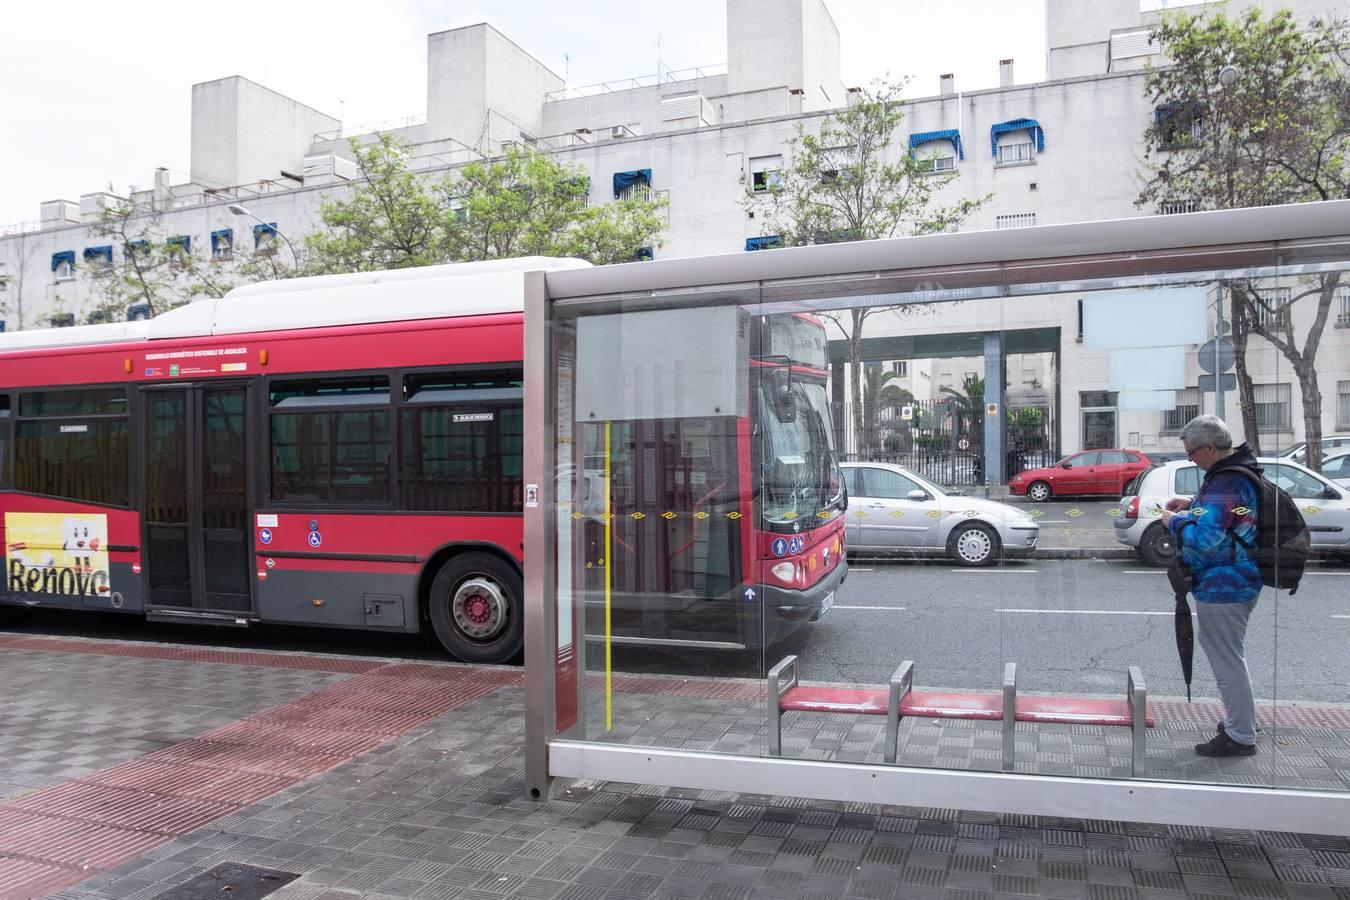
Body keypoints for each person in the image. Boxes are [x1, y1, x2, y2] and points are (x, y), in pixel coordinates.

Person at [1159, 415, 1261, 757]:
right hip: (1236, 580)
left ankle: (1240, 735)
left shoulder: (1225, 482)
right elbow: (1226, 518)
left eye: (1192, 453)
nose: (1190, 459)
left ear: (1209, 447)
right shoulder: (1234, 472)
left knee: (1226, 662)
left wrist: (1175, 522)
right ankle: (1240, 720)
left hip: (1225, 585)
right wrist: (1193, 505)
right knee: (1231, 657)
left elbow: (1207, 540)